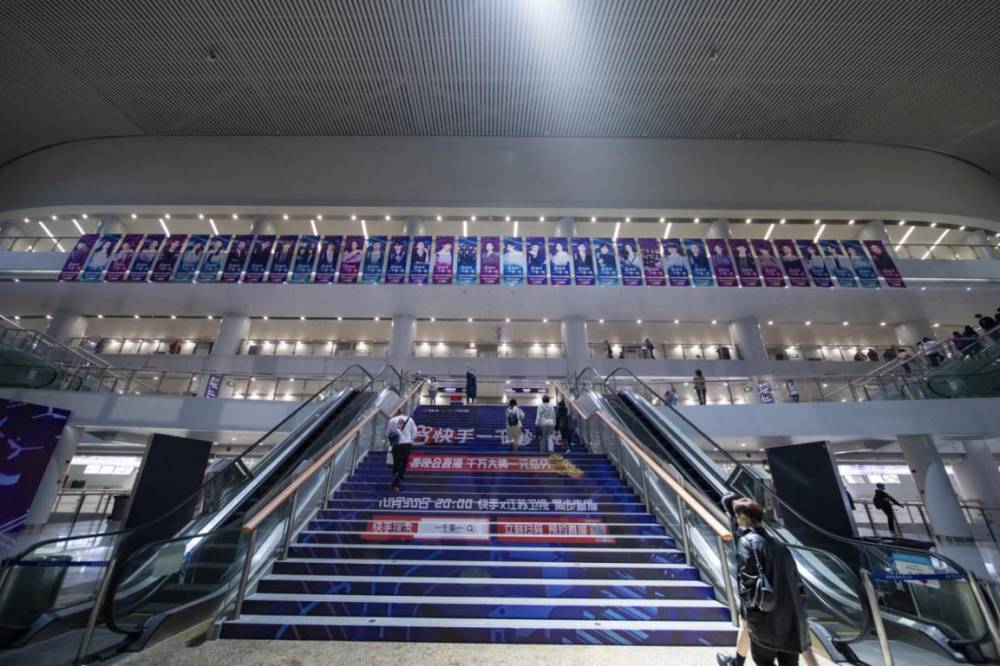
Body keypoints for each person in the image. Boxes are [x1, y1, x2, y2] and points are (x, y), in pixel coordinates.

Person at [717, 496, 816, 666]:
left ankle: (736, 663)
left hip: (765, 618)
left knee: (763, 660)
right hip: (790, 618)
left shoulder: (747, 542)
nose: (735, 519)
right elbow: (796, 581)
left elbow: (748, 583)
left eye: (736, 515)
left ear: (743, 516)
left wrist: (750, 612)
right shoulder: (779, 545)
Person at [385, 408, 418, 491]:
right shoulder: (409, 420)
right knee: (404, 462)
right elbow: (415, 432)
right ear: (403, 412)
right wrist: (410, 439)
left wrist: (391, 439)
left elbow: (387, 433)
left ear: (396, 412)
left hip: (396, 444)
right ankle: (397, 480)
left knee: (397, 462)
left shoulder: (392, 420)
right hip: (406, 444)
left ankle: (396, 480)